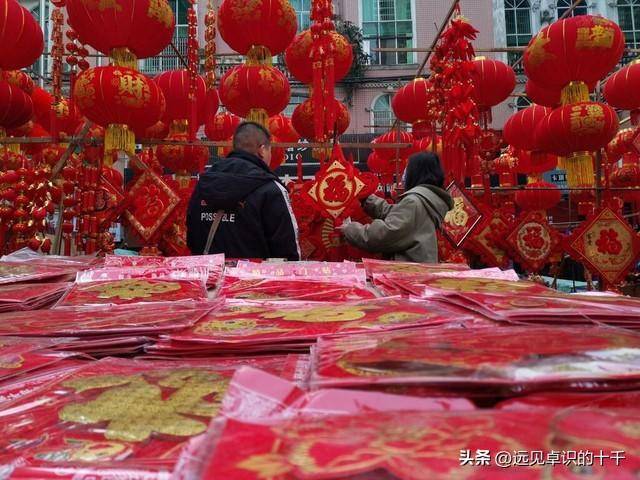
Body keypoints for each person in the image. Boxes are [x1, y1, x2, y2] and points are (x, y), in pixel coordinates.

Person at [186, 122, 300, 260]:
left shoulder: (204, 183)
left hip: (208, 277)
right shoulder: (270, 189)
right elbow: (287, 250)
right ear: (262, 150)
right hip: (256, 279)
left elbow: (191, 237)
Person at [340, 151, 453, 263]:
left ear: (416, 172)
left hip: (409, 273)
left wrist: (350, 229)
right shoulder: (426, 199)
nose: (404, 174)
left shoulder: (414, 202)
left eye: (407, 169)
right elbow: (394, 213)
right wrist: (366, 198)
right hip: (419, 268)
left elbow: (384, 236)